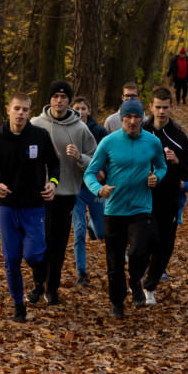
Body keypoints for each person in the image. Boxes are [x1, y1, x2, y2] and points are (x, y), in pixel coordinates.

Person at [0, 92, 60, 322]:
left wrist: (53, 184)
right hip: (7, 207)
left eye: (25, 109)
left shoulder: (40, 136)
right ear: (8, 110)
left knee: (33, 254)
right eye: (17, 109)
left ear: (30, 112)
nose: (21, 113)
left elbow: (54, 164)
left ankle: (39, 275)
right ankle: (18, 306)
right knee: (11, 259)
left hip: (34, 207)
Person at [84, 98, 167, 318]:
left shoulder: (152, 142)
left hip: (141, 208)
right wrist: (98, 189)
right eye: (128, 117)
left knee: (139, 252)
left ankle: (135, 281)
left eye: (136, 117)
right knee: (115, 262)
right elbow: (90, 173)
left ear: (142, 118)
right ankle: (117, 302)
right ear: (121, 118)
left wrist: (156, 178)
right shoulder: (109, 142)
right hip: (114, 210)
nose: (132, 121)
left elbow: (161, 165)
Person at [29, 81, 97, 305]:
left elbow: (95, 162)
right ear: (50, 99)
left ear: (69, 101)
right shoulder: (36, 124)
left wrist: (79, 157)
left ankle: (52, 288)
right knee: (41, 243)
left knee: (58, 244)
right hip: (39, 194)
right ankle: (38, 285)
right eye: (55, 96)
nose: (59, 100)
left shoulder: (80, 128)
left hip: (67, 194)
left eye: (63, 97)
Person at [140, 88, 188, 303]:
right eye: (157, 107)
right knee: (146, 240)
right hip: (142, 197)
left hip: (169, 198)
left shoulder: (179, 138)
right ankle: (140, 277)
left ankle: (150, 286)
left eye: (165, 107)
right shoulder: (140, 132)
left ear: (171, 107)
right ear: (150, 107)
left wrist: (176, 162)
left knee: (165, 244)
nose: (161, 111)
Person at [70, 96, 107, 287]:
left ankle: (94, 224)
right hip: (75, 188)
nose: (81, 112)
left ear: (89, 110)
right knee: (78, 230)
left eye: (84, 108)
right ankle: (81, 272)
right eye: (77, 108)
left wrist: (104, 177)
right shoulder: (68, 129)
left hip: (95, 188)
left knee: (101, 233)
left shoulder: (99, 131)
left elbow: (108, 158)